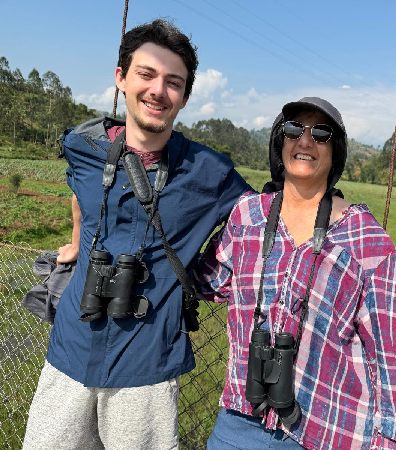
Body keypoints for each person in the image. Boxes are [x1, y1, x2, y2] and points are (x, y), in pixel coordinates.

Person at [23, 19, 250, 449]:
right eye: (146, 74)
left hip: (146, 368)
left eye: (173, 82)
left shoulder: (210, 172)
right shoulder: (82, 145)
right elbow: (78, 189)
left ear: (184, 96)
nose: (157, 90)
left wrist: (217, 271)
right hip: (71, 348)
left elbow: (262, 220)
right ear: (121, 78)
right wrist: (77, 241)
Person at [194, 97, 396, 449]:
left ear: (336, 152)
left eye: (321, 133)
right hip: (239, 417)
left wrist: (392, 439)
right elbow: (207, 280)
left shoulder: (367, 240)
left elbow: (393, 355)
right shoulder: (247, 217)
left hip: (322, 429)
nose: (305, 140)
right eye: (294, 128)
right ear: (279, 141)